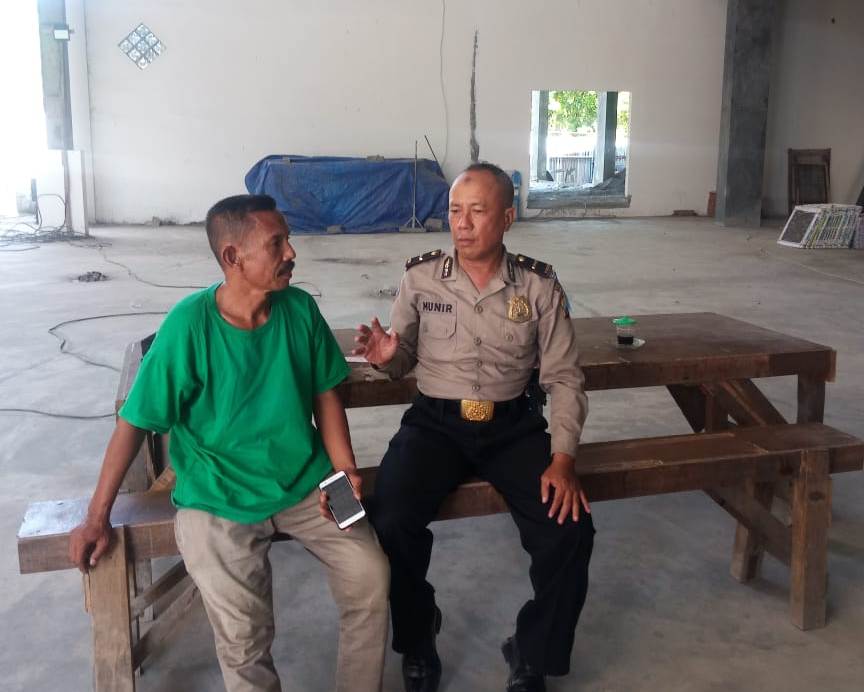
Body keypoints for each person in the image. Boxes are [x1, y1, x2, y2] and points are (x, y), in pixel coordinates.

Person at [69, 194, 390, 692]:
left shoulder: (300, 309)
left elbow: (326, 396)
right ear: (232, 257)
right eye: (277, 244)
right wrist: (96, 517)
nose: (292, 253)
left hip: (310, 481)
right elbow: (133, 423)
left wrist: (344, 470)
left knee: (371, 575)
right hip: (216, 498)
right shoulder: (189, 326)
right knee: (245, 636)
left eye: (288, 240)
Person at [353, 163, 594, 692]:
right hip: (435, 425)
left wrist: (563, 459)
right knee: (389, 517)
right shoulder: (420, 278)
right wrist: (388, 357)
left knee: (570, 530)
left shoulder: (538, 284)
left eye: (477, 212)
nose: (461, 224)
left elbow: (564, 378)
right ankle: (419, 634)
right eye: (455, 211)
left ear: (507, 217)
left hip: (513, 427)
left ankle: (531, 651)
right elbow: (402, 356)